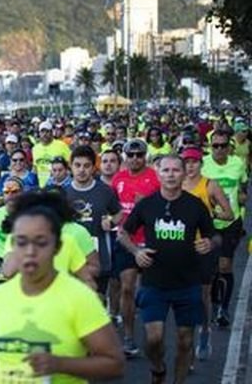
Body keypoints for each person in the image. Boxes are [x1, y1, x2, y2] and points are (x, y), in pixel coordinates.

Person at [0, 190, 125, 384]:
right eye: (22, 243)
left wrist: (60, 364)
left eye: (41, 243)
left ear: (56, 247)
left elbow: (115, 364)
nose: (30, 251)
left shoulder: (80, 299)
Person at [119, 154, 217, 384]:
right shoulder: (147, 204)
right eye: (166, 170)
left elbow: (214, 235)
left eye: (176, 170)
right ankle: (158, 368)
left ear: (183, 174)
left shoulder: (195, 205)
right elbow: (124, 233)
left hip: (187, 283)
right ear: (158, 173)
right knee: (153, 340)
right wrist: (136, 252)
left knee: (184, 341)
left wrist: (210, 243)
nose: (171, 175)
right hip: (154, 283)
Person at [182, 145, 233, 361]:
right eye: (186, 162)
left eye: (194, 162)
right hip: (181, 246)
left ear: (201, 164)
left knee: (201, 294)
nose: (190, 166)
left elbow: (229, 214)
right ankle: (187, 344)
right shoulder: (177, 184)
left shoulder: (210, 185)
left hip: (203, 246)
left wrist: (211, 215)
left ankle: (204, 332)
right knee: (185, 297)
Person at [112, 138, 161, 357]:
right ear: (125, 156)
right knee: (127, 288)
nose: (134, 159)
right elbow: (112, 207)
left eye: (139, 155)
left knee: (151, 292)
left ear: (145, 156)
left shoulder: (155, 178)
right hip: (126, 240)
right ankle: (129, 337)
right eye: (130, 155)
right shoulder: (119, 178)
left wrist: (147, 204)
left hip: (151, 241)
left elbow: (165, 208)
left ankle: (154, 335)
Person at [202, 129, 247, 328]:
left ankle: (224, 309)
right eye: (215, 145)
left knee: (225, 265)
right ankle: (214, 302)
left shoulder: (238, 163)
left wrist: (241, 197)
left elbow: (243, 186)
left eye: (223, 145)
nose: (219, 149)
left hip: (231, 221)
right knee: (211, 268)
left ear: (229, 147)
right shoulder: (204, 164)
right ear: (210, 146)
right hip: (209, 222)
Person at [64, 145, 122, 298]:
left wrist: (111, 222)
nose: (81, 170)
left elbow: (119, 213)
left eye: (86, 166)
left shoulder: (105, 191)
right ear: (71, 167)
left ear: (94, 168)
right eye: (77, 165)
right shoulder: (63, 193)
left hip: (99, 255)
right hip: (70, 257)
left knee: (97, 303)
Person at [32, 121, 73, 186]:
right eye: (42, 131)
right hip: (42, 187)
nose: (44, 134)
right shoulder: (35, 148)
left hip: (60, 185)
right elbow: (35, 168)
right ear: (39, 133)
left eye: (47, 131)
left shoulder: (61, 145)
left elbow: (71, 164)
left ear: (51, 132)